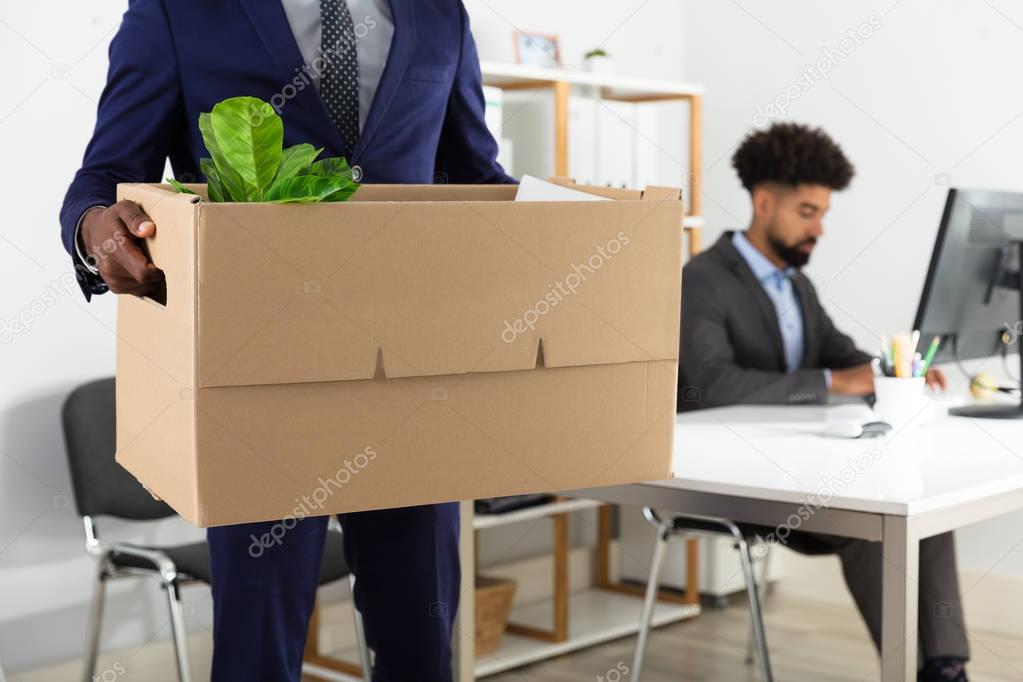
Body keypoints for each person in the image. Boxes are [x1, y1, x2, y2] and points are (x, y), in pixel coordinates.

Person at [59, 1, 514, 680]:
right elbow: (103, 174)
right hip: (256, 382)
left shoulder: (439, 13)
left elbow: (476, 177)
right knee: (257, 653)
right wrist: (96, 229)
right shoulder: (177, 11)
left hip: (413, 378)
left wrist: (574, 241)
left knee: (421, 641)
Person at [678, 123, 969, 682]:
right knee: (875, 511)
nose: (820, 228)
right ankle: (918, 667)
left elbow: (837, 350)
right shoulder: (705, 280)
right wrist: (839, 381)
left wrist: (895, 371)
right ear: (764, 203)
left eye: (823, 213)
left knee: (921, 503)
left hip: (792, 466)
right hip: (733, 480)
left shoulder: (795, 283)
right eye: (808, 212)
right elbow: (712, 384)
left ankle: (943, 665)